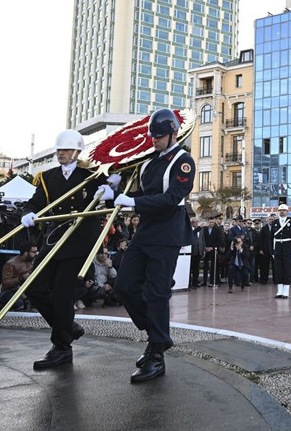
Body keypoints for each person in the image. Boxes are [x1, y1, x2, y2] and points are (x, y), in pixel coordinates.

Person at [110, 108, 195, 382]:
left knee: (157, 292)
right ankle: (158, 335)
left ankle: (157, 353)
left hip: (167, 234)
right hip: (145, 232)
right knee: (123, 286)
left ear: (173, 134)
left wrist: (133, 202)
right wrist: (114, 193)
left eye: (159, 136)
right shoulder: (148, 163)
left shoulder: (184, 161)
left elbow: (172, 197)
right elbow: (141, 194)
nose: (154, 140)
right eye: (153, 136)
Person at [19, 129, 112, 370]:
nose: (61, 154)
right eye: (59, 150)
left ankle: (61, 347)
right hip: (54, 239)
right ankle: (68, 327)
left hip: (80, 241)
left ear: (77, 151)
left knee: (62, 294)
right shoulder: (47, 177)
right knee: (33, 287)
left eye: (66, 150)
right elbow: (36, 202)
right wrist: (28, 213)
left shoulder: (90, 175)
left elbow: (112, 198)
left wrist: (111, 190)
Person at [0, 242, 38, 310]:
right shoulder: (11, 264)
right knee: (19, 304)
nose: (35, 254)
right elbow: (5, 283)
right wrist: (21, 278)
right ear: (25, 253)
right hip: (9, 292)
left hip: (26, 291)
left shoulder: (33, 262)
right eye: (33, 252)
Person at [271, 204, 291, 299]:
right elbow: (271, 239)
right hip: (277, 249)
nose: (282, 212)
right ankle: (279, 291)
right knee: (278, 270)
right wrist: (272, 251)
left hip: (287, 248)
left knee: (287, 270)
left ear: (287, 211)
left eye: (284, 210)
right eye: (280, 210)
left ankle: (286, 291)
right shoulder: (275, 223)